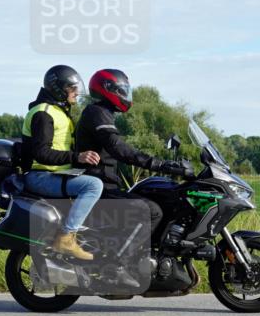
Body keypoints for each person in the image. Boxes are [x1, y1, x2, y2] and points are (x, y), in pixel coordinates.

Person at [75, 68, 190, 245]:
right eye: (122, 90)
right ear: (107, 88)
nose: (125, 95)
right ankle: (126, 263)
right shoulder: (96, 113)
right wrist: (159, 164)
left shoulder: (104, 113)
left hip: (106, 184)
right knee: (151, 211)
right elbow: (118, 148)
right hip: (99, 186)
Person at [22, 65, 103, 261]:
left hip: (54, 174)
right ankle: (66, 237)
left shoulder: (59, 112)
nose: (76, 92)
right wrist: (78, 157)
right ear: (58, 89)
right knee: (93, 186)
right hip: (40, 176)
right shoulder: (44, 113)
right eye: (71, 88)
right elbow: (42, 154)